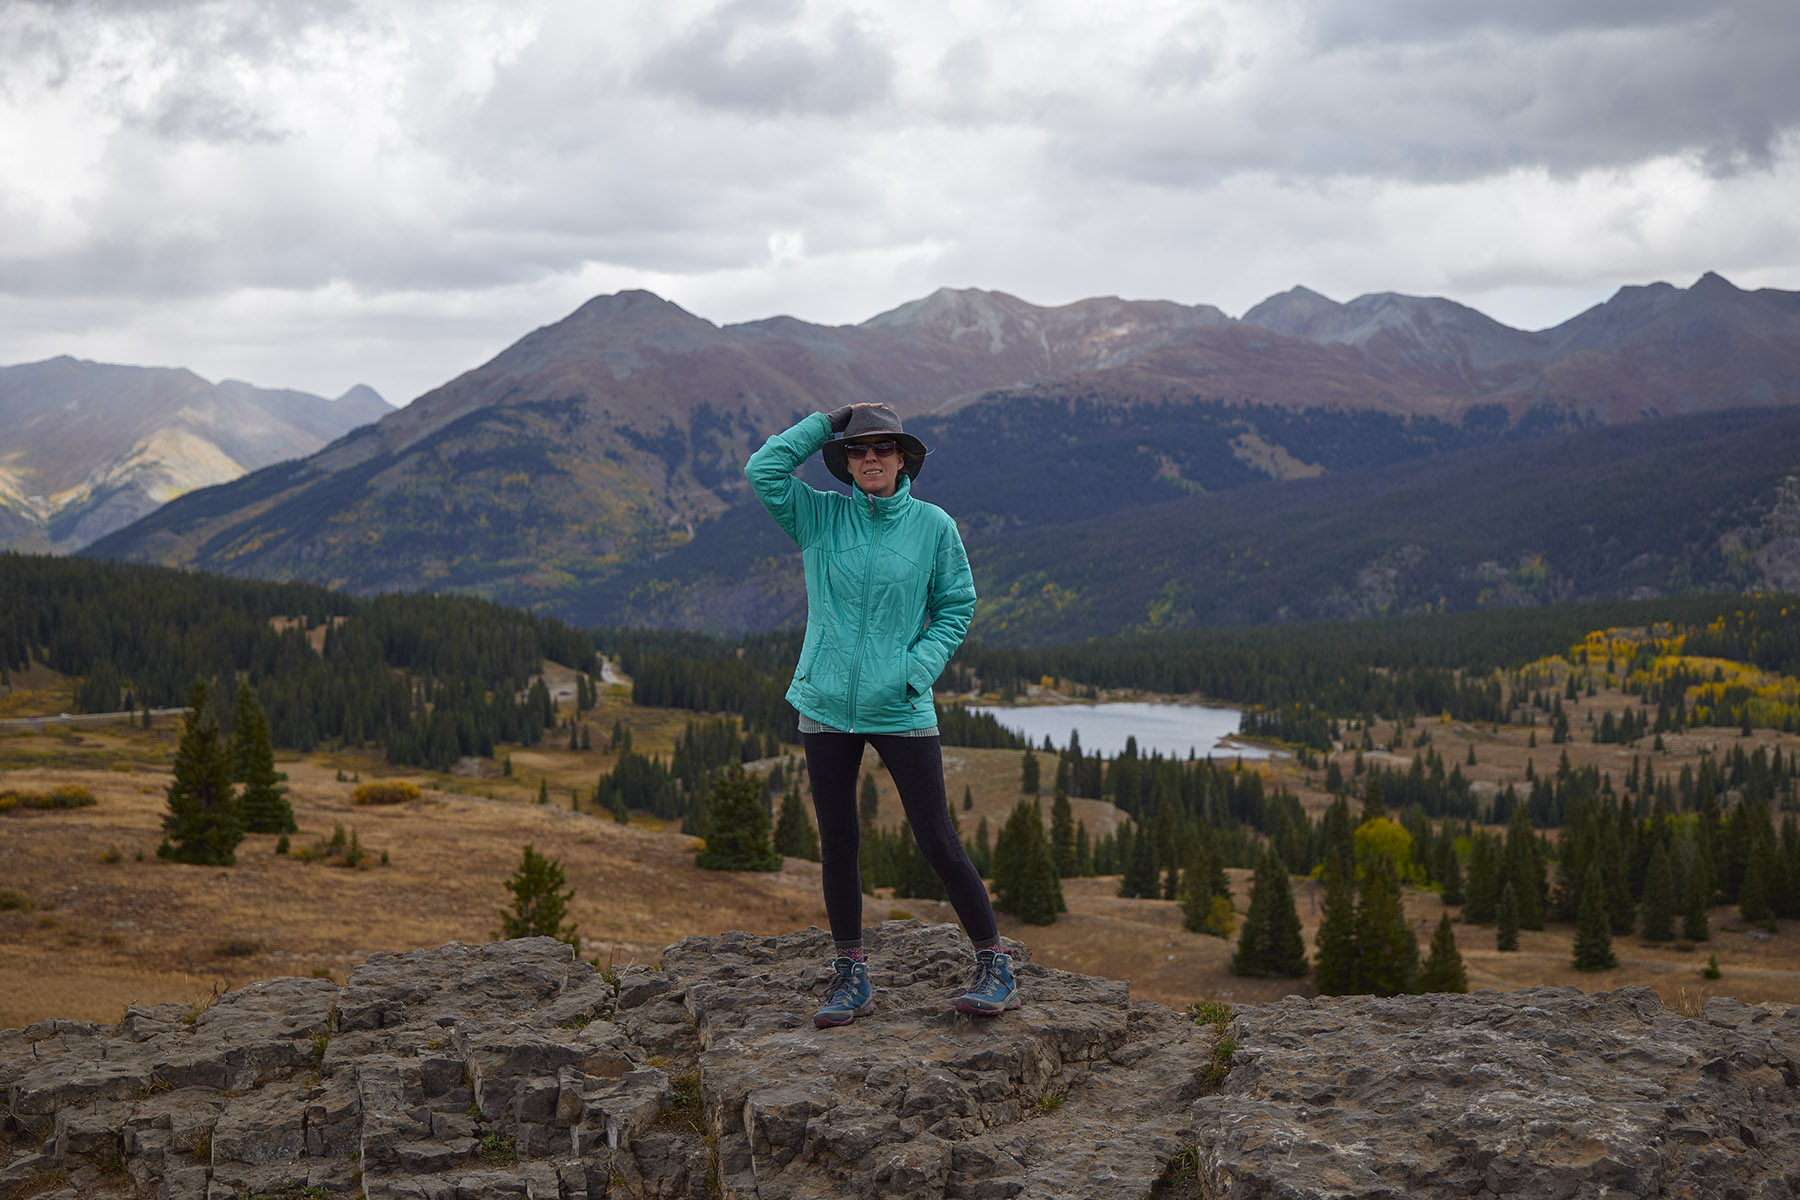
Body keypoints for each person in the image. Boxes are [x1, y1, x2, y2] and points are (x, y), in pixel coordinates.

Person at [745, 402, 1019, 1027]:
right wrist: (824, 421)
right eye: (858, 448)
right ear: (844, 461)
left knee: (938, 842)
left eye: (883, 448)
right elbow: (763, 470)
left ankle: (994, 963)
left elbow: (956, 605)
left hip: (900, 706)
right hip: (825, 706)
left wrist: (916, 669)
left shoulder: (932, 527)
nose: (870, 457)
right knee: (838, 845)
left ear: (903, 460)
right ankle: (850, 974)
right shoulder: (819, 517)